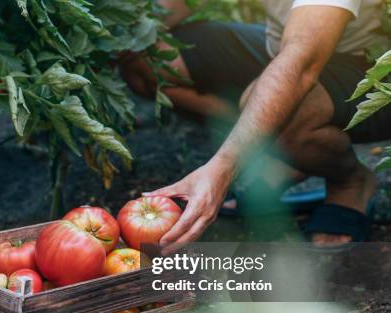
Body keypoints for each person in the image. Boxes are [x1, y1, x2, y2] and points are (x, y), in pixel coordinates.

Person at [120, 0, 390, 249]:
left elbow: (301, 65)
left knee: (287, 106)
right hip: (284, 45)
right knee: (148, 59)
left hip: (373, 70)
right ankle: (288, 147)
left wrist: (223, 168)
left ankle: (349, 181)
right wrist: (114, 34)